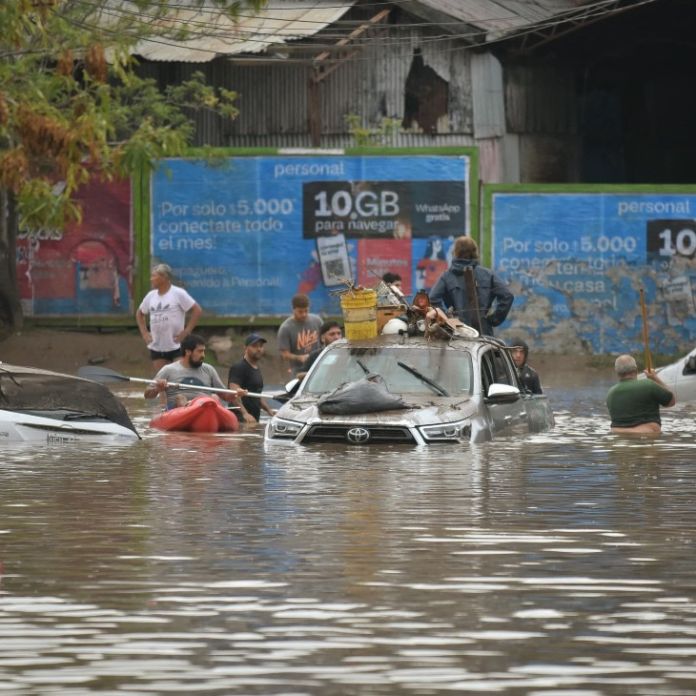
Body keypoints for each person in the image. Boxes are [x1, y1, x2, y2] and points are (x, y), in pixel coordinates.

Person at [428, 236, 513, 336]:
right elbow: (507, 296)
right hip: (483, 332)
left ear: (455, 252)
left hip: (457, 331)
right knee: (486, 352)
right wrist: (493, 319)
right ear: (474, 251)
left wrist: (447, 318)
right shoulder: (488, 274)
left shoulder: (447, 276)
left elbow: (432, 298)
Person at [136, 264, 202, 373]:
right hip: (157, 346)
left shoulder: (178, 293)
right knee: (164, 381)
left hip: (177, 345)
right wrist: (144, 333)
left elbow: (197, 310)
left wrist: (187, 331)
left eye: (154, 276)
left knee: (179, 377)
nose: (151, 279)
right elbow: (139, 313)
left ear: (164, 277)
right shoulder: (151, 296)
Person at [144, 333, 233, 410]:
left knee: (214, 397)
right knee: (180, 398)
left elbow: (225, 395)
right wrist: (158, 388)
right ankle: (189, 409)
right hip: (178, 409)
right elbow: (147, 395)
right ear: (188, 352)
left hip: (205, 407)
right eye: (200, 351)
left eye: (203, 351)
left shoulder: (209, 369)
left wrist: (236, 393)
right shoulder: (168, 370)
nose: (203, 355)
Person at [606, 354, 676, 434]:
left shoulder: (610, 393)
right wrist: (655, 378)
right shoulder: (648, 385)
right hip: (646, 436)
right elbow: (672, 401)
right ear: (636, 370)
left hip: (618, 436)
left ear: (617, 373)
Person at [227, 334, 276, 425]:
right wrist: (245, 413)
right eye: (254, 346)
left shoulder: (256, 369)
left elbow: (256, 395)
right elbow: (233, 393)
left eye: (261, 346)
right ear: (245, 348)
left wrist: (269, 410)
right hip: (240, 420)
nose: (258, 349)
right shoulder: (239, 367)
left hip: (253, 419)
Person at [277, 293, 323, 375]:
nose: (304, 314)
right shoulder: (286, 328)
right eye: (300, 312)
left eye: (306, 311)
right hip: (298, 370)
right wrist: (299, 358)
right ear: (293, 309)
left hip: (318, 367)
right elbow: (284, 354)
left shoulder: (317, 321)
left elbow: (324, 341)